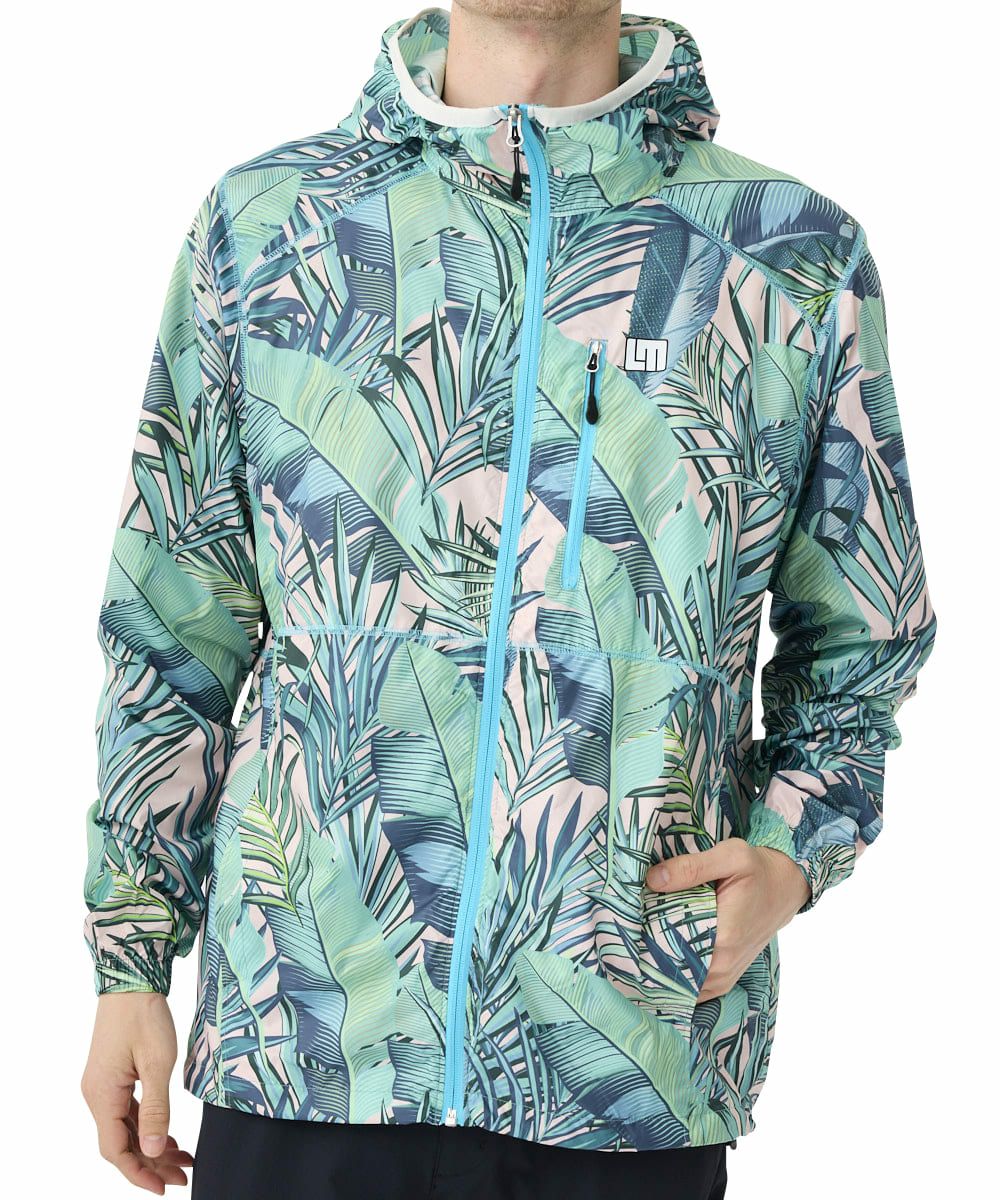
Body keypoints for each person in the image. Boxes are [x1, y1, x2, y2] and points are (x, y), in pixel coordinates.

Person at [79, 3, 938, 1198]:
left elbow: (863, 635)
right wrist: (130, 959)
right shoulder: (269, 223)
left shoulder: (786, 253)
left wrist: (792, 855)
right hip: (307, 1041)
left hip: (625, 1054)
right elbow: (174, 618)